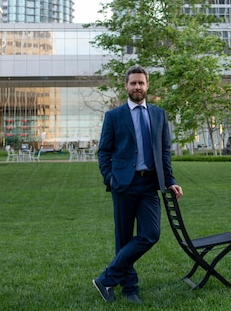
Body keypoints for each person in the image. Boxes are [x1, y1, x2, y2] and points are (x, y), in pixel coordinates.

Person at [93, 65, 183, 304]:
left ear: (147, 85)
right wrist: (109, 179)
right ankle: (130, 289)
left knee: (150, 234)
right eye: (133, 83)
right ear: (126, 86)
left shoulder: (158, 114)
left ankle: (106, 279)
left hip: (149, 186)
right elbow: (104, 151)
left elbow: (164, 152)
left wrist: (170, 181)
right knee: (123, 238)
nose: (137, 87)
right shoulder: (114, 116)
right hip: (123, 185)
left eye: (141, 83)